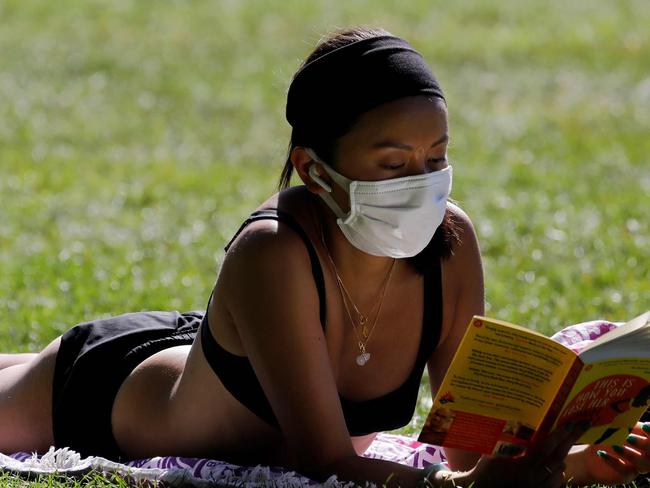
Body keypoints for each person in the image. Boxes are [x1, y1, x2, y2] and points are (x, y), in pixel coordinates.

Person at [1, 27, 649, 488]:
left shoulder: (452, 246)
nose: (423, 181)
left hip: (205, 352)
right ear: (314, 169)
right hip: (99, 393)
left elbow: (464, 452)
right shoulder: (272, 251)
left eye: (437, 157)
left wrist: (571, 463)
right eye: (394, 164)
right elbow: (321, 461)